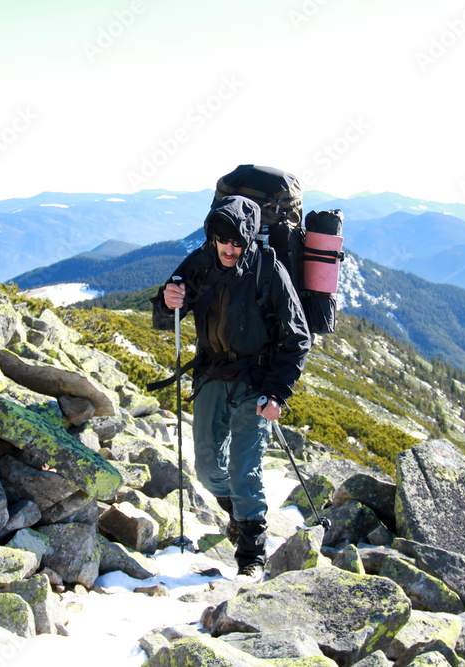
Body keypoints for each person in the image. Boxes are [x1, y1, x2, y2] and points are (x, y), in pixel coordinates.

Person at [153, 195, 311, 581]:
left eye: (237, 241)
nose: (228, 248)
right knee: (207, 469)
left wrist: (277, 393)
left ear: (250, 239)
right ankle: (238, 515)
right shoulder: (201, 261)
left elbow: (297, 337)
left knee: (245, 468)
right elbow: (167, 311)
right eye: (222, 239)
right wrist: (166, 300)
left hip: (256, 380)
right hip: (210, 373)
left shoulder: (268, 269)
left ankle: (251, 555)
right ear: (212, 235)